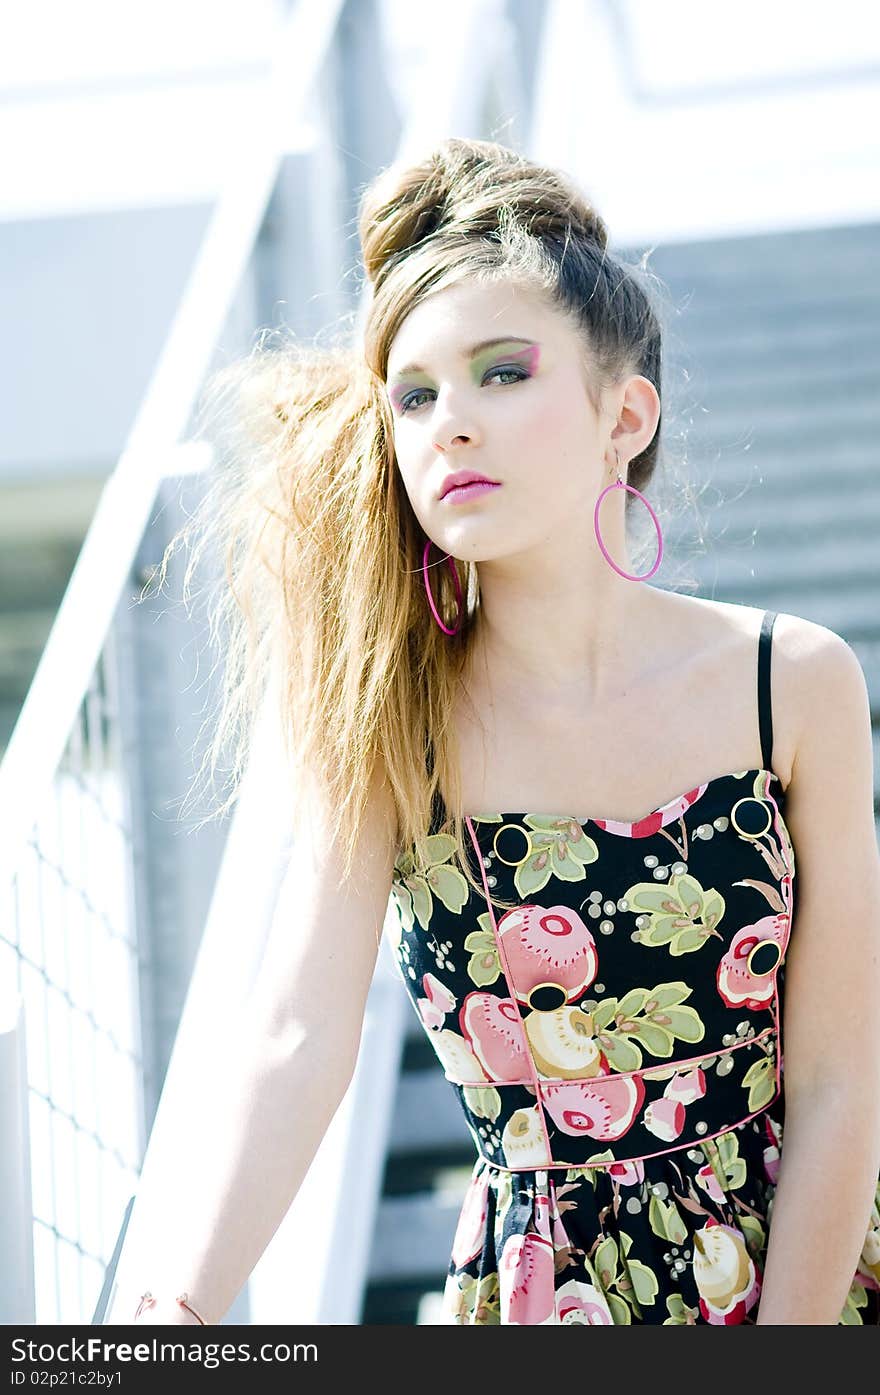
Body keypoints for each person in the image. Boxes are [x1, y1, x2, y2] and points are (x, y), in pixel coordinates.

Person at [128, 137, 880, 1326]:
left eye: (502, 372)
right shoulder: (392, 723)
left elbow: (841, 1081)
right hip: (540, 1296)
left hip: (805, 1271)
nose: (449, 425)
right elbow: (295, 1031)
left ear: (623, 414)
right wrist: (174, 1313)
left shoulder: (789, 683)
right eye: (414, 395)